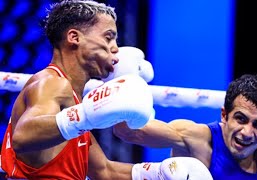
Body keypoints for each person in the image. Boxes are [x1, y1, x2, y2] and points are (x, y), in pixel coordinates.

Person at [0, 0, 214, 179]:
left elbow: (104, 170)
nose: (115, 49)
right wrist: (85, 116)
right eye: (108, 37)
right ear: (74, 38)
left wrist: (157, 172)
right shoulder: (52, 83)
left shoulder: (71, 105)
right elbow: (22, 138)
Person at [114, 74, 257, 180]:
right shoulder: (194, 138)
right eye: (240, 119)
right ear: (224, 115)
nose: (247, 132)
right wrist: (118, 85)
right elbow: (126, 132)